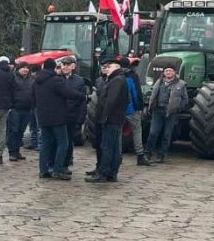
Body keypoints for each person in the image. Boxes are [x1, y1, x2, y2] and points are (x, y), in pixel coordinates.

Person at [33, 58, 80, 180]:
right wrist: (82, 96)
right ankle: (57, 170)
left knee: (45, 144)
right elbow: (69, 93)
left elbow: (32, 97)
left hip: (43, 117)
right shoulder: (56, 80)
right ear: (54, 68)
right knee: (63, 143)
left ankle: (43, 170)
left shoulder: (37, 80)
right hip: (57, 118)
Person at [87, 55, 127, 183]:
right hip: (114, 118)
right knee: (112, 146)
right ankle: (110, 172)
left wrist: (104, 116)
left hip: (111, 119)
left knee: (108, 146)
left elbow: (111, 101)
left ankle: (104, 173)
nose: (106, 69)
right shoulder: (116, 79)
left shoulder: (117, 80)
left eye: (109, 67)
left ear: (116, 67)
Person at [144, 62, 188, 163]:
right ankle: (147, 154)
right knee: (153, 133)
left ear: (174, 72)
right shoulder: (159, 82)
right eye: (166, 71)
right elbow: (153, 95)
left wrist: (178, 108)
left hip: (171, 113)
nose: (168, 72)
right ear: (164, 73)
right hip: (158, 110)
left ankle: (161, 155)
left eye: (170, 71)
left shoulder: (181, 84)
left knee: (167, 134)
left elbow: (185, 99)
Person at [61, 57, 88, 169]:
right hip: (59, 115)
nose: (65, 67)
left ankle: (67, 160)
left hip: (72, 115)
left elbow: (82, 102)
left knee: (69, 140)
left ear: (73, 66)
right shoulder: (57, 79)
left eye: (68, 64)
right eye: (63, 64)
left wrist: (80, 119)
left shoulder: (79, 81)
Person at [122, 59, 149, 166]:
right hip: (131, 109)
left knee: (117, 132)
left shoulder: (115, 76)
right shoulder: (132, 76)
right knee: (137, 131)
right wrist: (139, 106)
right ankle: (140, 155)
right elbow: (135, 92)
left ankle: (117, 156)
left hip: (117, 109)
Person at [7, 62, 34, 161]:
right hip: (15, 108)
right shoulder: (13, 78)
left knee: (21, 131)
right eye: (23, 67)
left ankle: (17, 151)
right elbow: (8, 92)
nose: (25, 69)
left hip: (27, 109)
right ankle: (12, 152)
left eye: (27, 68)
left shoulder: (31, 79)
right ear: (18, 69)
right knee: (14, 131)